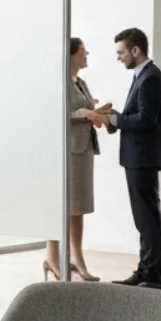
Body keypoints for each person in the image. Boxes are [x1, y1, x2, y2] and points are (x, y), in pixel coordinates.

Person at [99, 27, 161, 290]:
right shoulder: (144, 75)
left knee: (146, 217)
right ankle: (149, 270)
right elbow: (140, 115)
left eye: (121, 52)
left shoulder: (150, 77)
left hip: (142, 156)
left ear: (135, 50)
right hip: (139, 155)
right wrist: (116, 117)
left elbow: (146, 120)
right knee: (146, 216)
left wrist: (116, 120)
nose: (119, 57)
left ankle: (151, 275)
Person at [45, 37, 106, 282]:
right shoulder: (58, 81)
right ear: (71, 55)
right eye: (83, 51)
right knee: (61, 203)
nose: (86, 55)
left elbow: (81, 110)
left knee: (78, 205)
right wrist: (85, 112)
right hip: (67, 150)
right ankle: (52, 257)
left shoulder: (80, 82)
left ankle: (76, 258)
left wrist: (97, 111)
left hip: (83, 148)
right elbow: (55, 111)